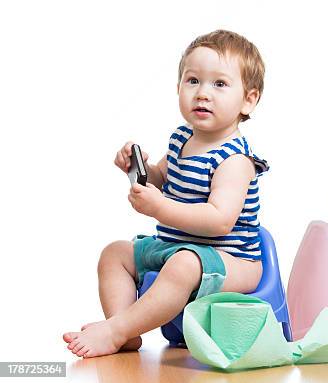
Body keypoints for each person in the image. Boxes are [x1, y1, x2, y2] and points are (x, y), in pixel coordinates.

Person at [63, 30, 268, 357]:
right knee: (114, 253)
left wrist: (160, 208)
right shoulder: (181, 139)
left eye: (219, 84)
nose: (202, 93)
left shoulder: (235, 160)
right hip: (178, 248)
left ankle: (117, 330)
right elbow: (162, 177)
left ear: (249, 99)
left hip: (232, 260)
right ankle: (123, 327)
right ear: (178, 89)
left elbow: (219, 221)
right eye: (193, 81)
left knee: (184, 265)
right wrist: (142, 168)